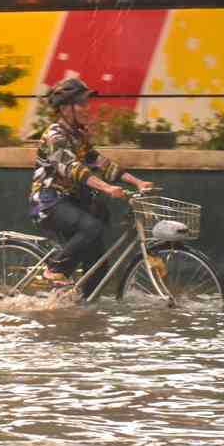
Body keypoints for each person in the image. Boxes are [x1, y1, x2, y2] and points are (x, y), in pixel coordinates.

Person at [30, 77, 154, 295]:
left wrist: (137, 182)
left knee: (99, 267)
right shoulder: (54, 136)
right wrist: (107, 188)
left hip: (73, 201)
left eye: (87, 103)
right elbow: (73, 168)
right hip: (49, 202)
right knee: (91, 226)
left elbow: (100, 163)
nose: (87, 108)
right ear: (65, 108)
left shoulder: (78, 136)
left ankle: (83, 309)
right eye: (81, 103)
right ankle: (55, 269)